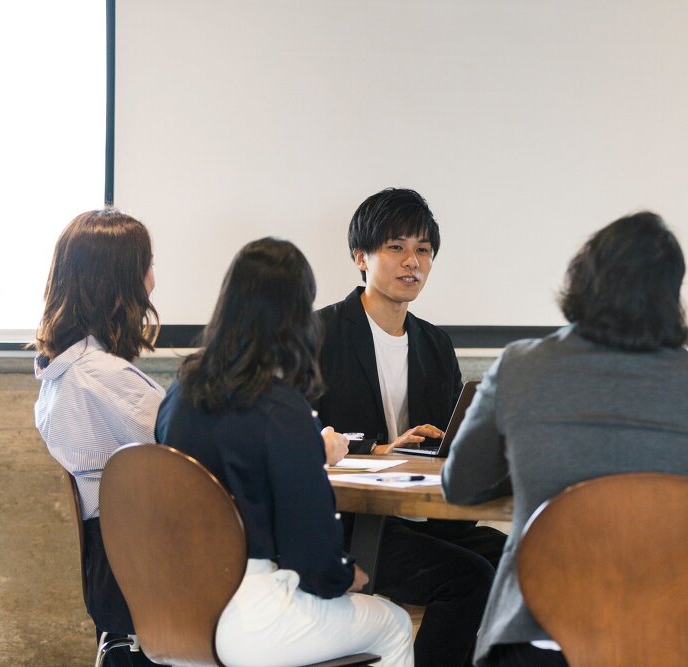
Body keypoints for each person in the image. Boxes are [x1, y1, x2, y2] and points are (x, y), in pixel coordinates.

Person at [441, 211, 688, 667]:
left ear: (584, 278)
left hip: (541, 641)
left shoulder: (521, 366)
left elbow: (462, 484)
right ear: (670, 295)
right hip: (683, 638)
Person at [155, 238, 413, 667]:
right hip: (248, 618)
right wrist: (345, 574)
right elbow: (311, 552)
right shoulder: (279, 406)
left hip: (172, 609)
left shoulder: (178, 393)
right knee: (394, 624)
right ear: (297, 317)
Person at [315, 187, 506, 666]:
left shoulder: (435, 344)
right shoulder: (317, 334)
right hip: (349, 526)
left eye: (423, 250)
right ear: (361, 257)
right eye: (396, 247)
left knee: (521, 557)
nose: (412, 262)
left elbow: (447, 439)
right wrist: (377, 448)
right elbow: (301, 430)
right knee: (469, 579)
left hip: (421, 517)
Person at [33, 209, 162, 667]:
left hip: (116, 581)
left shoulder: (63, 372)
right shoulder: (100, 377)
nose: (152, 282)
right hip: (152, 579)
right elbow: (191, 452)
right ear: (118, 281)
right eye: (146, 266)